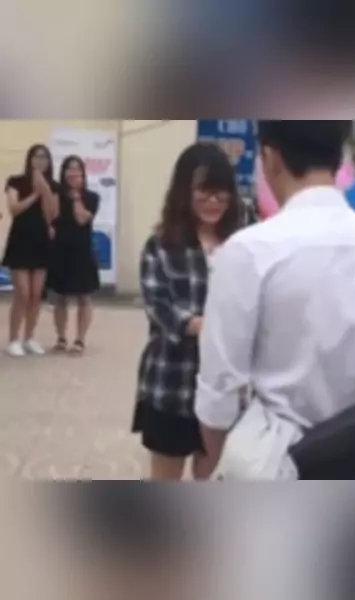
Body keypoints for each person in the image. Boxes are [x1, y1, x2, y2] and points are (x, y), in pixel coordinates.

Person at [193, 120, 355, 480]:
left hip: (272, 461)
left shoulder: (248, 251)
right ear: (339, 159)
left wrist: (220, 461)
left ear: (270, 158)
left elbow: (219, 391)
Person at [132, 142, 241, 481]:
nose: (213, 200)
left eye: (221, 192)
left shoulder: (243, 244)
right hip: (173, 381)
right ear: (184, 191)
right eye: (203, 191)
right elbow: (159, 307)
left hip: (226, 385)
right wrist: (208, 326)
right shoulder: (161, 245)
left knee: (213, 475)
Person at [2, 144, 60, 357]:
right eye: (37, 156)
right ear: (29, 159)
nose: (40, 161)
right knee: (23, 293)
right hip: (21, 240)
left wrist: (45, 190)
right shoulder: (15, 181)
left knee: (36, 295)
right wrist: (35, 193)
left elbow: (53, 215)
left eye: (44, 157)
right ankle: (13, 339)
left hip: (41, 242)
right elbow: (14, 209)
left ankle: (29, 337)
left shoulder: (53, 185)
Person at [48, 156, 100, 354]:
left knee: (84, 298)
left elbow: (81, 219)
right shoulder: (57, 195)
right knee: (59, 298)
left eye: (77, 169)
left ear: (83, 173)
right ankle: (61, 337)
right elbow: (51, 217)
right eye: (69, 169)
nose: (73, 173)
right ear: (63, 173)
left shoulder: (92, 197)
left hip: (82, 252)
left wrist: (76, 198)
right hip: (60, 251)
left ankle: (80, 339)